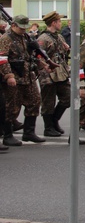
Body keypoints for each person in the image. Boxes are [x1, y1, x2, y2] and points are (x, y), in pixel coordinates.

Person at [0, 15, 45, 145]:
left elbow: (30, 55)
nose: (23, 30)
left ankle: (29, 132)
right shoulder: (6, 39)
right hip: (14, 77)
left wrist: (40, 63)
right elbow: (2, 59)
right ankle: (8, 135)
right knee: (12, 107)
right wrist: (9, 76)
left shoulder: (25, 37)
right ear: (13, 25)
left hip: (28, 76)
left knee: (35, 101)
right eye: (21, 28)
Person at [37, 11, 71, 137]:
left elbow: (63, 52)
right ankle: (48, 127)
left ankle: (54, 120)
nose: (60, 23)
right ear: (53, 23)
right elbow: (38, 56)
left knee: (67, 98)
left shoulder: (59, 36)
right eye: (58, 21)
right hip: (48, 74)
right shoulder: (43, 39)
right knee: (48, 102)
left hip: (61, 73)